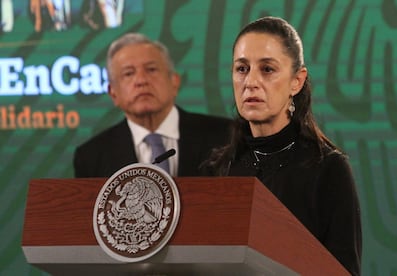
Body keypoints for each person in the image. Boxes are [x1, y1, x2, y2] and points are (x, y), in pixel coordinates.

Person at [201, 16, 362, 275]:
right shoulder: (220, 167)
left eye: (267, 69)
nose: (250, 82)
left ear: (296, 81)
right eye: (242, 69)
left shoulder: (328, 168)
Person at [74, 32, 231, 178]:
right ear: (113, 93)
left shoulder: (227, 136)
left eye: (151, 69)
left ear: (174, 82)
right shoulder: (91, 157)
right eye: (128, 73)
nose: (141, 80)